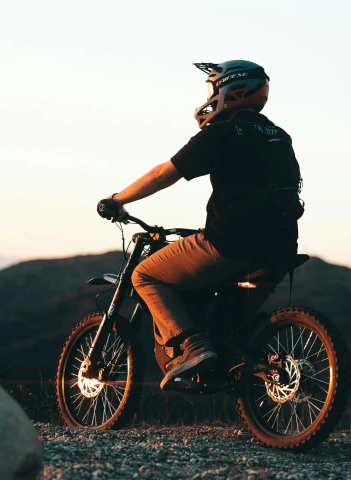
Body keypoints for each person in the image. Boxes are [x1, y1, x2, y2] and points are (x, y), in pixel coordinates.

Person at [97, 60, 304, 389]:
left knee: (144, 275)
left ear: (230, 91)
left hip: (231, 244)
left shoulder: (222, 133)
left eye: (213, 88)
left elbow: (162, 174)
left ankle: (190, 347)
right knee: (225, 326)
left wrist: (118, 200)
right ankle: (234, 360)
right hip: (279, 250)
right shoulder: (280, 136)